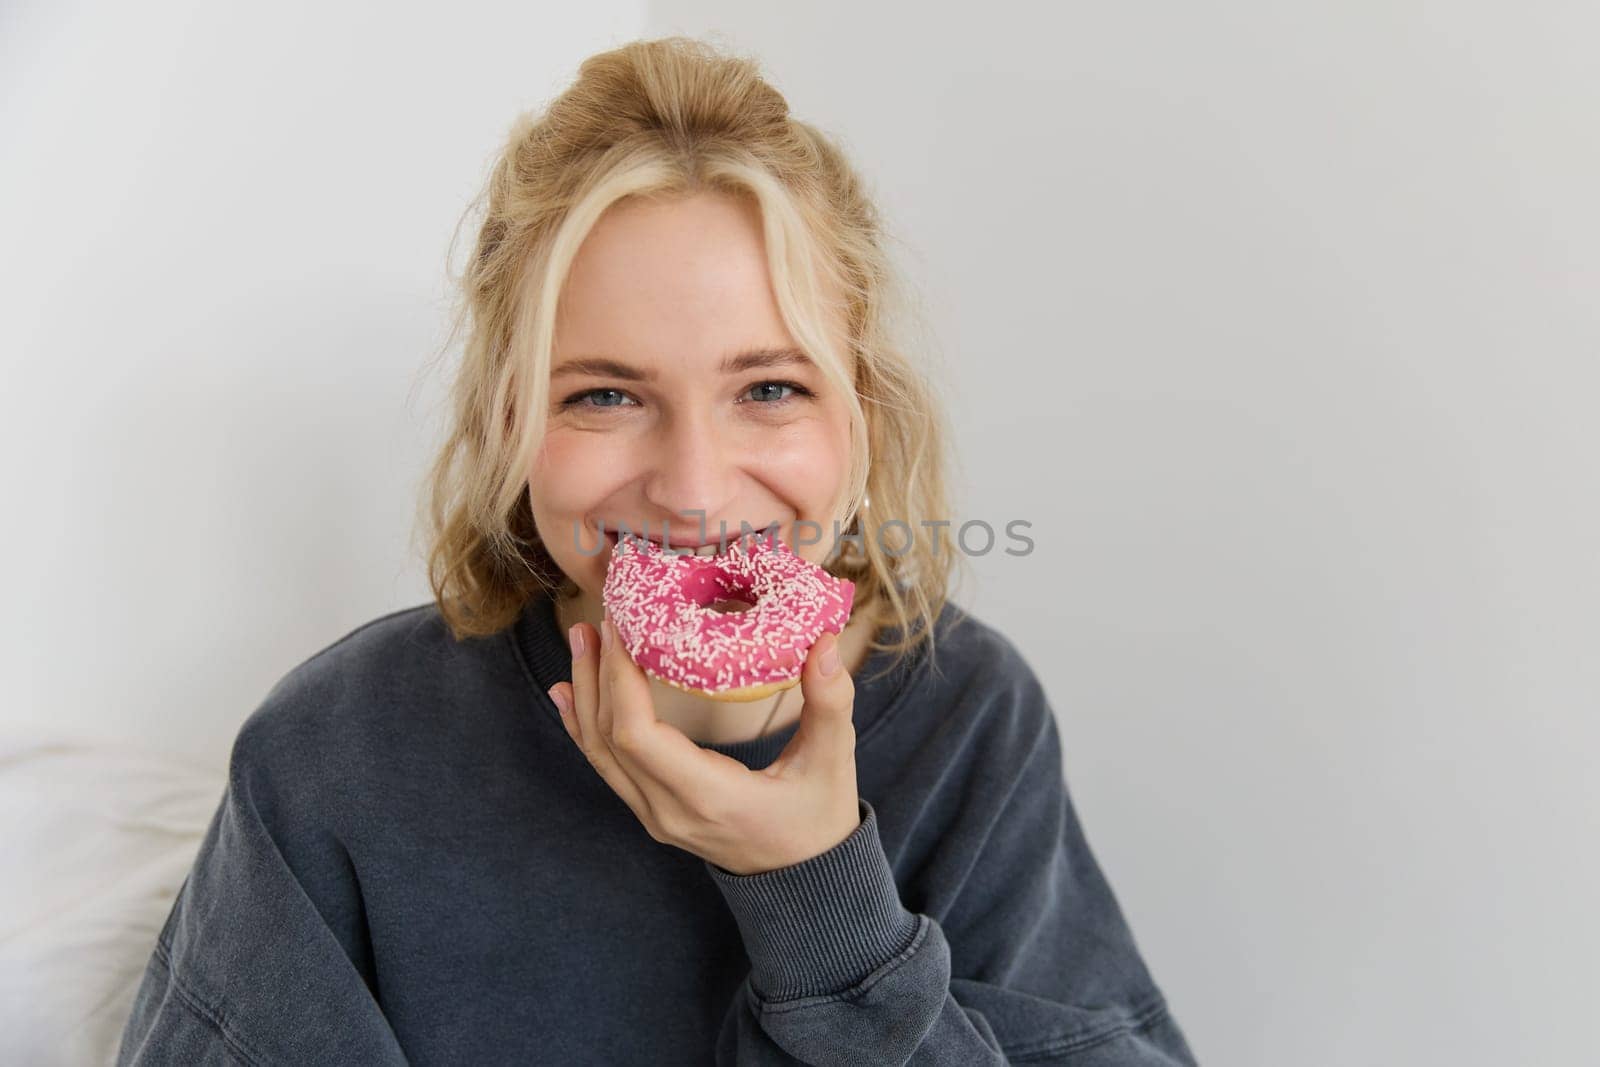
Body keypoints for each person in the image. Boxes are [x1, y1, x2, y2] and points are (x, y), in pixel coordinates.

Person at [116, 36, 1197, 1065]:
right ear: (506, 424)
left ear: (859, 413)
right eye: (603, 395)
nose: (693, 487)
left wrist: (819, 894)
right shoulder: (336, 750)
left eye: (769, 388)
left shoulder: (966, 714)